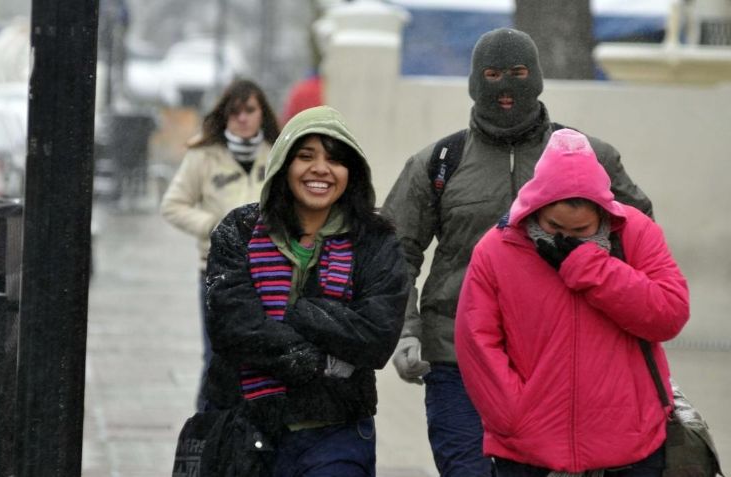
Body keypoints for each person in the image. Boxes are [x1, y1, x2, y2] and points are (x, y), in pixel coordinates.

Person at [381, 28, 654, 476]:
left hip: (560, 362)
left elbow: (640, 238)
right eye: (492, 75)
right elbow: (393, 252)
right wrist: (406, 330)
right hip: (456, 358)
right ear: (475, 81)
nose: (505, 87)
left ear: (537, 77)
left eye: (519, 73)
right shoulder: (438, 163)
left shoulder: (587, 157)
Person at [455, 128, 689, 476]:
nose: (565, 238)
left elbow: (669, 315)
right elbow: (477, 340)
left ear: (602, 214)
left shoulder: (636, 232)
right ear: (536, 207)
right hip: (528, 450)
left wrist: (591, 267)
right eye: (554, 227)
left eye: (581, 231)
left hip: (631, 447)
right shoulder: (497, 248)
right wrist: (514, 416)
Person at [201, 105, 409, 476]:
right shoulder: (239, 231)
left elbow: (376, 336)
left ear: (351, 172)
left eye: (335, 159)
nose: (321, 169)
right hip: (246, 431)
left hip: (336, 431)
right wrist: (320, 358)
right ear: (283, 164)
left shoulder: (375, 241)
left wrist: (298, 312)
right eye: (306, 156)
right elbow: (233, 328)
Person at [160, 78, 280, 411]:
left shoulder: (277, 155)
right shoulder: (203, 156)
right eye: (234, 111)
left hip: (268, 272)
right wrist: (214, 226)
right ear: (225, 115)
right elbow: (172, 205)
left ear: (262, 113)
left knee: (262, 356)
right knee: (216, 356)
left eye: (249, 110)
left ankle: (252, 426)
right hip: (217, 273)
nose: (242, 117)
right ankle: (206, 429)